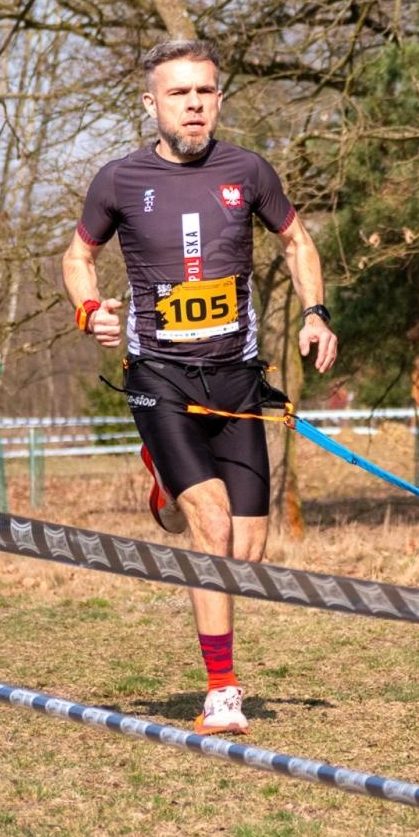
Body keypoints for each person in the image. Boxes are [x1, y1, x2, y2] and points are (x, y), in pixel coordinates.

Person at [61, 39, 337, 736]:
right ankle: (222, 690)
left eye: (204, 92)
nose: (193, 104)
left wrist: (315, 313)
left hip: (238, 380)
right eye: (179, 93)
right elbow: (78, 256)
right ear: (151, 104)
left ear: (218, 100)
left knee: (246, 552)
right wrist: (90, 309)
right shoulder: (118, 180)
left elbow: (298, 242)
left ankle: (164, 489)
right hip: (159, 376)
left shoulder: (248, 171)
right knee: (211, 525)